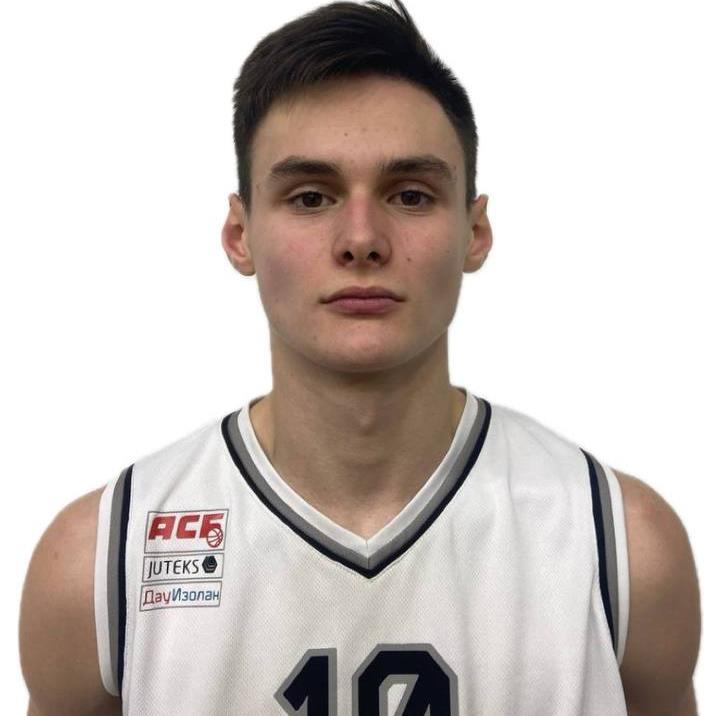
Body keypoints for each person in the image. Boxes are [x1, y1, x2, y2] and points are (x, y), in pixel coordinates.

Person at [19, 1, 701, 714]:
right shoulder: (103, 558)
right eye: (311, 197)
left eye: (410, 195)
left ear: (474, 232)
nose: (361, 240)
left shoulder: (621, 544)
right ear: (240, 235)